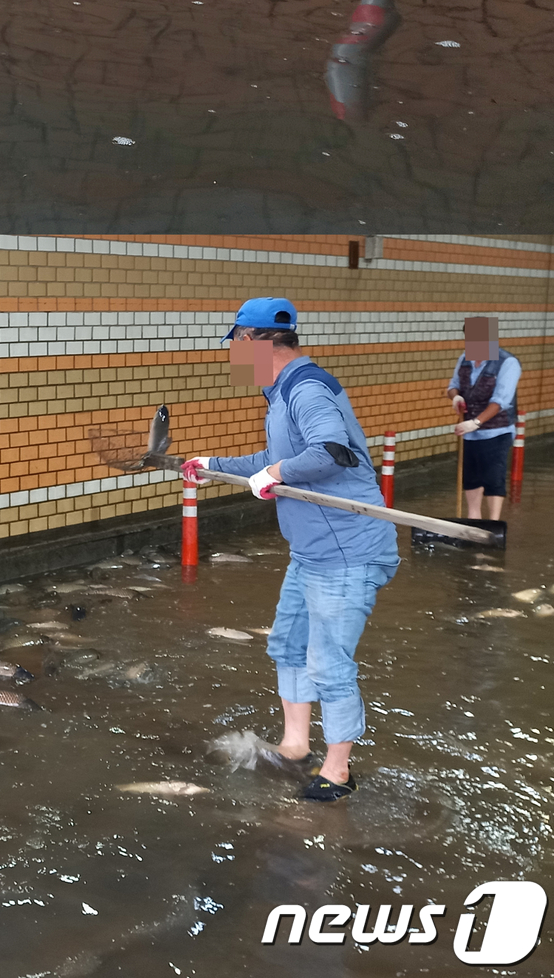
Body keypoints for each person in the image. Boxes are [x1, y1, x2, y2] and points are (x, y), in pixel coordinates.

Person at [181, 297, 399, 803]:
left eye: (234, 344)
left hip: (348, 550)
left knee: (329, 662)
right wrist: (212, 461)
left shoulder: (306, 388)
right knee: (287, 645)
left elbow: (330, 451)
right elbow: (273, 457)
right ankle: (296, 745)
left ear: (256, 342)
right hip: (312, 550)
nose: (232, 355)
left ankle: (337, 770)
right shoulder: (278, 392)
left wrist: (275, 474)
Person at [447, 317, 520, 521]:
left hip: (497, 431)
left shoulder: (507, 362)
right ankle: (473, 520)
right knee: (471, 478)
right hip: (469, 435)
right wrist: (456, 396)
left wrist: (475, 423)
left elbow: (500, 401)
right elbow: (453, 385)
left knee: (493, 478)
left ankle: (493, 523)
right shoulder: (464, 359)